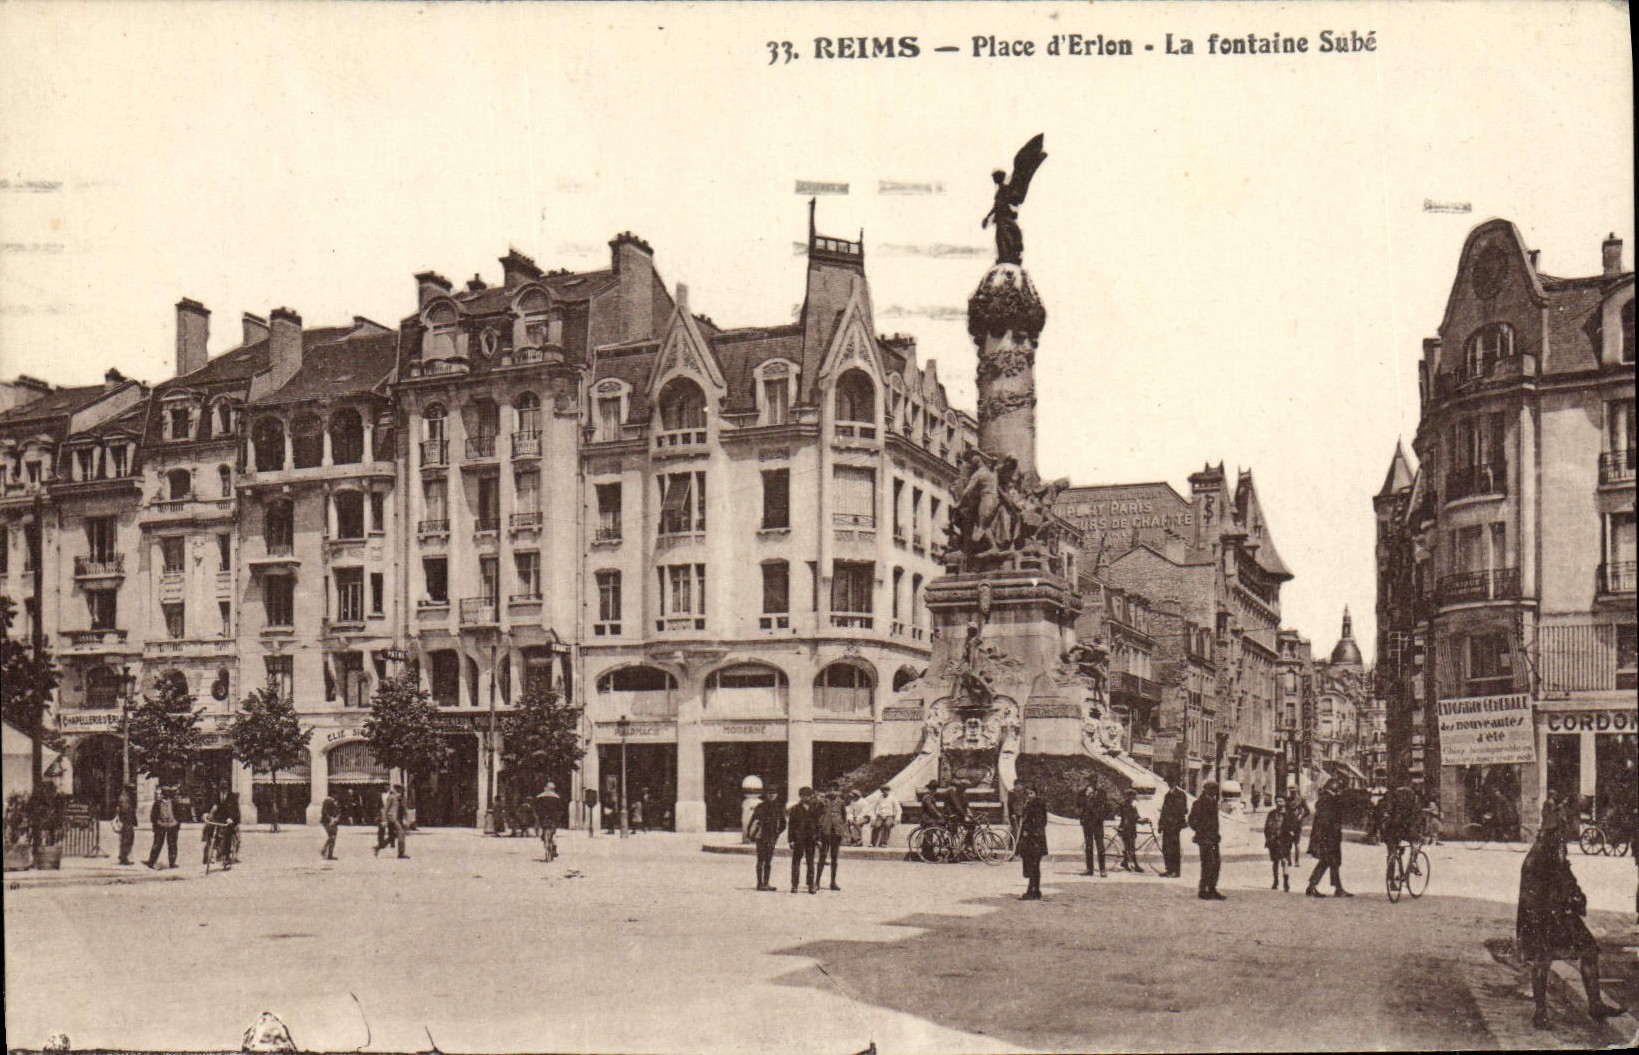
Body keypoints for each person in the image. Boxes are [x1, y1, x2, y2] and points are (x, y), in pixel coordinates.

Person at [1517, 809, 1626, 1029]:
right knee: (1543, 960)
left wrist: (1577, 894)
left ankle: (1595, 1004)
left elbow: (1566, 875)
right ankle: (1540, 1014)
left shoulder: (1556, 849)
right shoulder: (1539, 855)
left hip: (1562, 914)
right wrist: (1556, 905)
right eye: (1562, 829)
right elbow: (1533, 892)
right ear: (1553, 831)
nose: (1565, 834)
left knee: (1589, 951)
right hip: (1543, 916)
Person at [1305, 780, 1350, 898]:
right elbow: (1326, 821)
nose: (1340, 792)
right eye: (1339, 790)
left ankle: (1316, 887)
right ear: (1335, 788)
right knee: (1329, 862)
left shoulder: (1327, 799)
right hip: (1328, 838)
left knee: (1330, 862)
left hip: (1327, 837)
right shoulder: (1328, 800)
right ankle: (1316, 887)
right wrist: (1329, 836)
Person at [1187, 781, 1225, 900]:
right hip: (1204, 840)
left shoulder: (1213, 802)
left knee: (1216, 863)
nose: (1215, 791)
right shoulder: (1199, 803)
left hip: (1213, 840)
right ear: (1206, 790)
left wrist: (1215, 834)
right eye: (1213, 789)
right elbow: (1192, 821)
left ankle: (1212, 888)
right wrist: (1202, 831)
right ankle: (1203, 890)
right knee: (1208, 864)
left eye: (1216, 789)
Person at [747, 788, 786, 891]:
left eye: (774, 793)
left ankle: (766, 883)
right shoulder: (760, 806)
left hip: (771, 837)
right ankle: (760, 883)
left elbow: (783, 823)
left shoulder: (778, 807)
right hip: (761, 836)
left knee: (768, 860)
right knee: (760, 859)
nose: (772, 795)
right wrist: (750, 834)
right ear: (766, 794)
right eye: (769, 793)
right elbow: (753, 820)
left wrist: (776, 834)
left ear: (777, 794)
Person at [787, 787, 822, 894]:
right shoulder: (795, 809)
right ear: (800, 796)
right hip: (798, 839)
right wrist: (791, 840)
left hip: (811, 839)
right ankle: (794, 885)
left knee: (810, 862)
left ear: (811, 796)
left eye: (808, 796)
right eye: (803, 796)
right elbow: (791, 825)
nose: (805, 798)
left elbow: (818, 825)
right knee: (796, 862)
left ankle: (811, 885)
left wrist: (818, 838)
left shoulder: (814, 809)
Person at [1017, 787, 1049, 900]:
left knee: (1033, 866)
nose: (1029, 795)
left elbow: (1039, 822)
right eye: (1028, 793)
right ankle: (1036, 890)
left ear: (1036, 794)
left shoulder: (1037, 805)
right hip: (1033, 840)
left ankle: (1031, 891)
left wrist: (1028, 831)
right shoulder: (1030, 804)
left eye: (1031, 793)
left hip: (1034, 840)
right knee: (1034, 866)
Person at [1078, 777, 1111, 877]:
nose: (1092, 783)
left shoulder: (1101, 793)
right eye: (1090, 781)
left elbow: (1107, 807)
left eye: (1094, 781)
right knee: (1088, 846)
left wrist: (1101, 817)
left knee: (1100, 847)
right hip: (1087, 823)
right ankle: (1089, 869)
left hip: (1098, 823)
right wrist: (1086, 797)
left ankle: (1102, 869)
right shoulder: (1082, 793)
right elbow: (1078, 806)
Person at [815, 787, 846, 891]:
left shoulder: (841, 803)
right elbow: (817, 817)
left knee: (834, 858)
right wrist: (818, 832)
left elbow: (844, 817)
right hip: (825, 832)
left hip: (836, 833)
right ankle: (817, 882)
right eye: (831, 789)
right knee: (823, 856)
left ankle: (833, 882)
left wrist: (841, 830)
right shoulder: (822, 802)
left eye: (835, 790)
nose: (833, 792)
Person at [144, 785, 180, 870]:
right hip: (160, 826)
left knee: (172, 845)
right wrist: (157, 823)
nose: (167, 794)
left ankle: (172, 863)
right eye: (165, 792)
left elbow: (179, 814)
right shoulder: (157, 803)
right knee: (157, 844)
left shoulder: (174, 803)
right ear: (163, 794)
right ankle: (151, 862)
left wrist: (177, 823)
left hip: (172, 825)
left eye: (168, 793)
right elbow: (153, 816)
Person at [1158, 781, 1188, 878]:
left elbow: (1183, 809)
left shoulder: (1180, 794)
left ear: (1175, 782)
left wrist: (1174, 818)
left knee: (1174, 849)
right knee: (1166, 848)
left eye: (1170, 781)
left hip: (1175, 826)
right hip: (1167, 825)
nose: (1169, 783)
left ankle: (1175, 871)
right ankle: (1169, 869)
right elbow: (1164, 810)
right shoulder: (1168, 795)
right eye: (1168, 781)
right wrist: (1160, 824)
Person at [1265, 794, 1290, 891]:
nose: (1278, 803)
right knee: (1275, 862)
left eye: (1281, 801)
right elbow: (1267, 827)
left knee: (1285, 861)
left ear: (1285, 802)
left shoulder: (1288, 814)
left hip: (1284, 841)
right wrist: (1269, 837)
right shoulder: (1271, 814)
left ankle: (1286, 882)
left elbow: (1293, 826)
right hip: (1273, 841)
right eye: (1277, 801)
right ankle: (1275, 881)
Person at [376, 784, 408, 858]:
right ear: (396, 790)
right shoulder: (391, 797)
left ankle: (380, 846)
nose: (400, 792)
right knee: (401, 832)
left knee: (394, 835)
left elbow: (404, 810)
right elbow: (385, 809)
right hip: (392, 818)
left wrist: (404, 819)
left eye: (401, 791)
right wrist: (384, 820)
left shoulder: (401, 798)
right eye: (399, 790)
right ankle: (401, 853)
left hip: (398, 819)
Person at [535, 782, 562, 862]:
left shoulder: (539, 797)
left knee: (544, 831)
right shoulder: (556, 797)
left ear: (546, 788)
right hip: (553, 818)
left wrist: (538, 817)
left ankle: (546, 843)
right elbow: (559, 809)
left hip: (543, 818)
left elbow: (537, 809)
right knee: (553, 833)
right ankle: (554, 847)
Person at [1283, 790, 1310, 867]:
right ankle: (1289, 860)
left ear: (1297, 791)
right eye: (1291, 791)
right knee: (1288, 842)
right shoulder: (1287, 799)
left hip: (1297, 824)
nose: (1292, 793)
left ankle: (1297, 861)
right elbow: (1284, 810)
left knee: (1297, 842)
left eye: (1294, 791)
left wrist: (1301, 816)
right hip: (1288, 823)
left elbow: (1307, 811)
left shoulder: (1301, 799)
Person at [1117, 789, 1141, 872]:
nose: (1134, 798)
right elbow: (1130, 817)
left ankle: (1125, 862)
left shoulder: (1129, 805)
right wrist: (1139, 820)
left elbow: (1136, 817)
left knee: (1128, 847)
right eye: (1132, 796)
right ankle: (1136, 866)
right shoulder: (1126, 805)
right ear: (1129, 796)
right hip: (1127, 829)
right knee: (1131, 848)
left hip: (1129, 828)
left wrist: (1142, 820)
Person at [115, 784, 137, 866]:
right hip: (127, 822)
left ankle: (123, 856)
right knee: (127, 839)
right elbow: (125, 810)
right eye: (132, 789)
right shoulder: (125, 798)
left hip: (127, 822)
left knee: (126, 839)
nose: (134, 792)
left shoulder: (125, 796)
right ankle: (124, 858)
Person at [319, 794, 341, 860]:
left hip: (334, 822)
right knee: (332, 836)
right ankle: (325, 850)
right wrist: (331, 819)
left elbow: (338, 811)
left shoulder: (335, 801)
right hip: (327, 822)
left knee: (333, 837)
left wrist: (336, 818)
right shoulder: (327, 801)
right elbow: (324, 812)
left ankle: (328, 853)